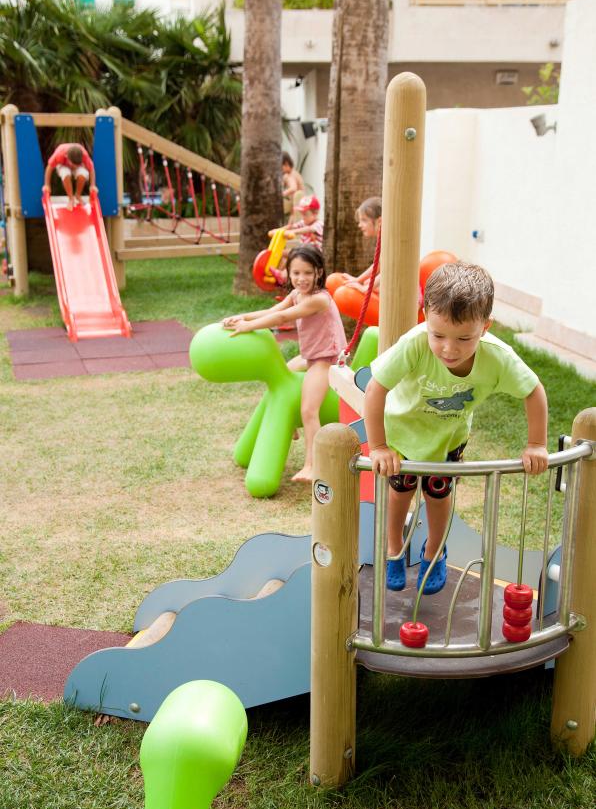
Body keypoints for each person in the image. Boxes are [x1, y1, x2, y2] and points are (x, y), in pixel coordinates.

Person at [364, 261, 548, 595]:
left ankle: (434, 551)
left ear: (486, 327)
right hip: (402, 434)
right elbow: (376, 389)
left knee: (439, 492)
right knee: (400, 490)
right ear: (425, 317)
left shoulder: (497, 358)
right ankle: (393, 547)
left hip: (449, 438)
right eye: (439, 335)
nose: (449, 349)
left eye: (464, 338)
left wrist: (536, 443)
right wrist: (378, 447)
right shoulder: (415, 344)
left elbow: (533, 391)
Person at [223, 244, 346, 483]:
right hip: (312, 355)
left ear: (319, 272)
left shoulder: (319, 299)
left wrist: (248, 327)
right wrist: (243, 317)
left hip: (327, 359)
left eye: (308, 273)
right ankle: (292, 427)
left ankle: (313, 466)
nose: (301, 278)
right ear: (288, 273)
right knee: (282, 375)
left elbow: (282, 317)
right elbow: (273, 310)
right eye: (296, 273)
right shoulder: (296, 294)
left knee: (309, 410)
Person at [327, 196, 382, 297]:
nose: (359, 225)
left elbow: (386, 271)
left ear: (379, 222)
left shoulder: (388, 242)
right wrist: (358, 280)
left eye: (364, 220)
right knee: (367, 282)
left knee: (369, 284)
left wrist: (366, 289)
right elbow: (378, 265)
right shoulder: (382, 240)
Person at [269, 195, 324, 283]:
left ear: (315, 213)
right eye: (302, 214)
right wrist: (279, 230)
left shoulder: (319, 224)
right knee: (282, 253)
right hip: (304, 253)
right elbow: (292, 226)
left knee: (293, 256)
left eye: (305, 214)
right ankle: (279, 275)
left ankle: (283, 276)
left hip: (314, 256)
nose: (303, 217)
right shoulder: (304, 222)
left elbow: (309, 229)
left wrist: (295, 232)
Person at [43, 143, 96, 211]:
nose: (74, 167)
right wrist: (47, 185)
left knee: (83, 173)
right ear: (66, 156)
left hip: (79, 164)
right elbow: (49, 168)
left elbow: (91, 169)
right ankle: (71, 199)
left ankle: (78, 195)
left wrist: (92, 185)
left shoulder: (84, 155)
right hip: (63, 165)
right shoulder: (59, 154)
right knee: (65, 173)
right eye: (73, 164)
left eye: (76, 165)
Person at [282, 151, 305, 218]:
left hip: (297, 203)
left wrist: (282, 194)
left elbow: (293, 188)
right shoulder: (294, 173)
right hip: (298, 203)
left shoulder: (290, 175)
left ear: (286, 164)